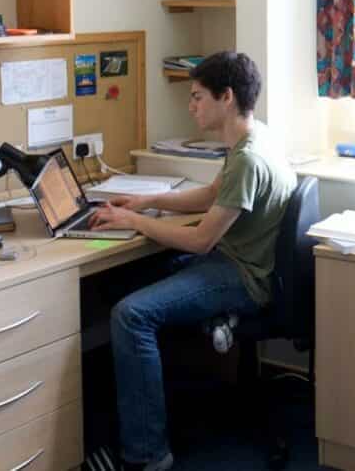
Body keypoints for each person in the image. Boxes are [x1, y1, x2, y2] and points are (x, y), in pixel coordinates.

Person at [91, 50, 297, 471]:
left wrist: (132, 220)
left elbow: (202, 240)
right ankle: (144, 407)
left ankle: (148, 455)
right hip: (241, 260)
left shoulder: (247, 160)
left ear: (226, 98)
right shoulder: (253, 138)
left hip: (240, 274)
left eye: (198, 97)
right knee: (122, 285)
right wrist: (149, 200)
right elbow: (209, 196)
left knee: (131, 315)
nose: (191, 106)